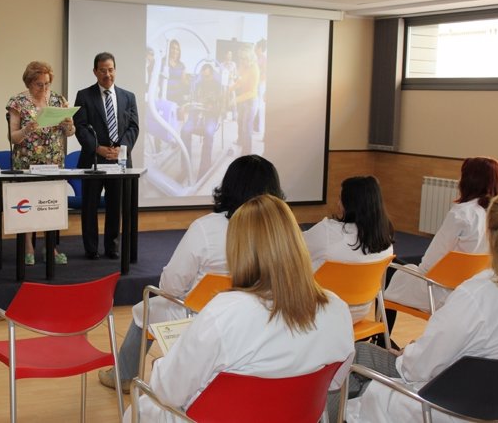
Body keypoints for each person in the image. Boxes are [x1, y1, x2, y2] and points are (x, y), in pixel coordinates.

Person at [124, 194, 355, 422]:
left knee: (139, 409)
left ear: (239, 250)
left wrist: (165, 363)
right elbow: (334, 382)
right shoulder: (337, 309)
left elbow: (167, 391)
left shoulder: (224, 314)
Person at [99, 154, 285, 391]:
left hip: (202, 319)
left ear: (230, 186)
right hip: (263, 319)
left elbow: (170, 286)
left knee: (143, 308)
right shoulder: (284, 232)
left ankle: (124, 376)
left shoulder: (207, 228)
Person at [337, 189, 498, 423]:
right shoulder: (485, 294)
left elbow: (417, 369)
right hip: (491, 411)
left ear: (491, 235)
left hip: (435, 406)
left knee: (358, 355)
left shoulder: (477, 295)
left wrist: (409, 353)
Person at [385, 157, 498, 314]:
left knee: (387, 270)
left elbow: (429, 263)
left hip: (437, 291)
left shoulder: (462, 214)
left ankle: (382, 337)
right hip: (472, 291)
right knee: (398, 267)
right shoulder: (497, 216)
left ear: (468, 180)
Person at [6, 61, 75, 266]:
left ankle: (51, 247)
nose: (44, 88)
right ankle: (28, 247)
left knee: (51, 206)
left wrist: (69, 126)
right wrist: (27, 129)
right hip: (27, 163)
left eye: (46, 84)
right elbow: (13, 137)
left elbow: (71, 133)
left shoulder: (57, 100)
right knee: (27, 205)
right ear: (29, 83)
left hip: (53, 162)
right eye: (38, 84)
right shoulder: (18, 102)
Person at [73, 52, 139, 260]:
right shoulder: (84, 95)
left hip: (119, 161)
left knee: (115, 206)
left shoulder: (128, 97)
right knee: (90, 205)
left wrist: (121, 148)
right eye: (102, 70)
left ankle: (112, 247)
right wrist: (98, 148)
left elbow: (133, 127)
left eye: (110, 70)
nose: (107, 74)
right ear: (95, 72)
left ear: (115, 71)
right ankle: (91, 249)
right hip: (94, 160)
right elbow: (80, 127)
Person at [303, 176, 395, 323]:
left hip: (320, 313)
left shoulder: (328, 233)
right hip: (359, 314)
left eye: (341, 199)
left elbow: (293, 247)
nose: (338, 203)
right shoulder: (386, 239)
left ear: (351, 204)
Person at [180, 63, 223, 179]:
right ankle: (186, 167)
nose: (206, 78)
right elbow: (192, 101)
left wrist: (212, 107)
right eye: (204, 76)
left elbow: (221, 106)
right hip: (195, 114)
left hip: (211, 116)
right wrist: (187, 106)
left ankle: (204, 169)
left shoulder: (218, 86)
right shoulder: (197, 85)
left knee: (209, 132)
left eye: (208, 76)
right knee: (184, 131)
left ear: (212, 75)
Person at [231, 45, 259, 155]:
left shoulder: (255, 69)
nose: (243, 61)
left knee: (247, 128)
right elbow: (240, 81)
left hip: (251, 100)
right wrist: (230, 89)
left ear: (251, 58)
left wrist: (236, 99)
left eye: (245, 59)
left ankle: (246, 153)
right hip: (243, 99)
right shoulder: (243, 66)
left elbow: (251, 92)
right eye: (241, 59)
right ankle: (240, 141)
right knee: (240, 121)